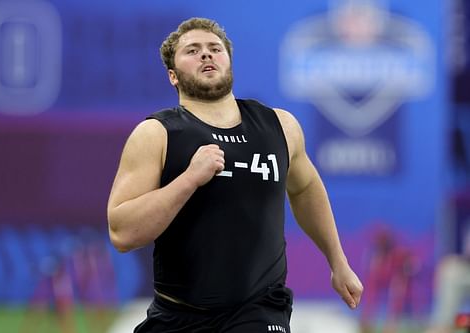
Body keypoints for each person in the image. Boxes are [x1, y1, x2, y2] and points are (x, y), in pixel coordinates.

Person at [107, 17, 363, 332]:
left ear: (229, 62)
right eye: (192, 50)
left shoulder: (279, 127)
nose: (206, 54)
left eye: (215, 48)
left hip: (259, 310)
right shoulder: (156, 134)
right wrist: (189, 180)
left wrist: (338, 263)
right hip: (177, 313)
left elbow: (305, 188)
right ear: (172, 76)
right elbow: (122, 233)